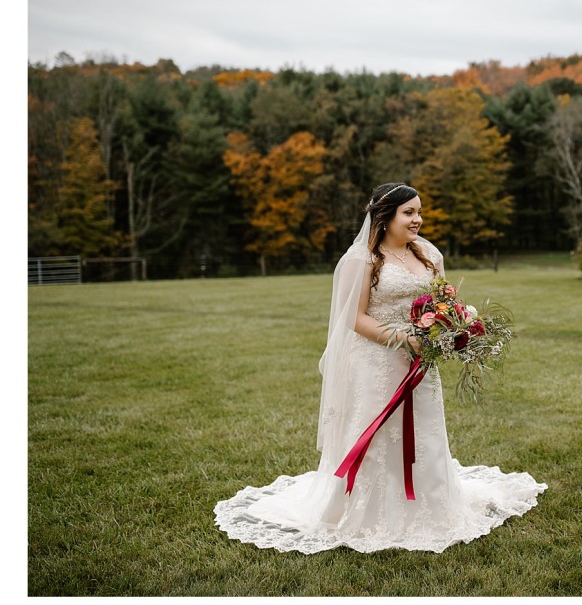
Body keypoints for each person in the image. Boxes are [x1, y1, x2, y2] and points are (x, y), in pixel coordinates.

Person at [214, 183, 546, 554]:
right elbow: (354, 319)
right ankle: (369, 512)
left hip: (421, 362)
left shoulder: (429, 255)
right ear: (386, 217)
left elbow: (442, 301)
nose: (418, 220)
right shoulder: (363, 261)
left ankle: (430, 505)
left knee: (424, 429)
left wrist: (453, 327)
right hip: (375, 360)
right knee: (378, 434)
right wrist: (404, 339)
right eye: (409, 213)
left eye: (420, 212)